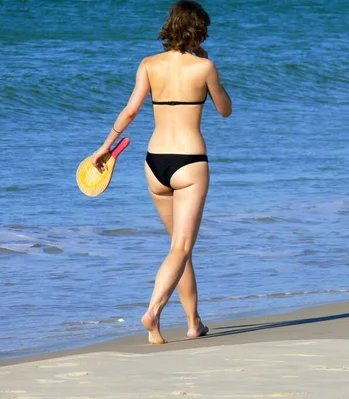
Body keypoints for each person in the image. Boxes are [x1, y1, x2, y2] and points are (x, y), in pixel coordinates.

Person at [91, 0, 232, 344]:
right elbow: (225, 110)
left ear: (170, 27)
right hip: (189, 162)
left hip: (155, 163)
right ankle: (153, 312)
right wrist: (208, 63)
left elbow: (130, 111)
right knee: (181, 247)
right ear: (198, 31)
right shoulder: (204, 67)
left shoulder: (149, 64)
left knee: (178, 247)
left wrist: (105, 146)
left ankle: (193, 322)